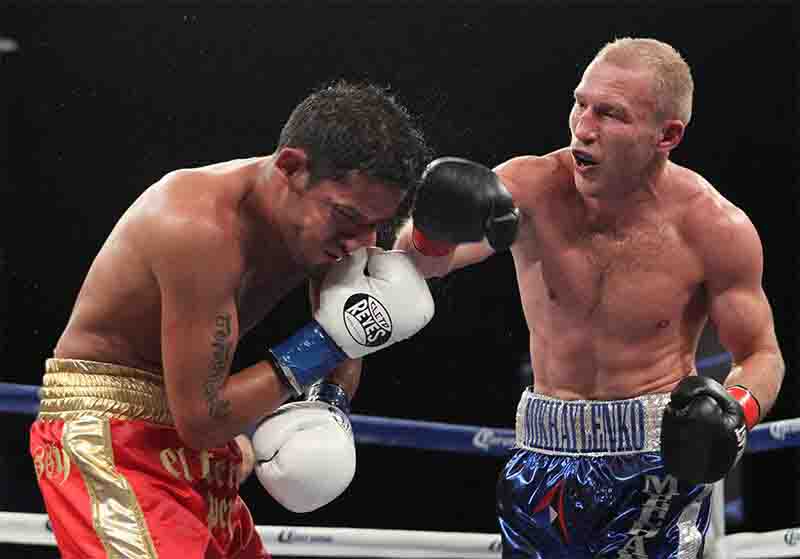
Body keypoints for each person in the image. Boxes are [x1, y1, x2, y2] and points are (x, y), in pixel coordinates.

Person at [394, 37, 785, 558]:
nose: (583, 127)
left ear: (667, 135)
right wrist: (430, 228)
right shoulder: (529, 189)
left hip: (654, 459)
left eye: (610, 114)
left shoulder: (713, 227)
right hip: (540, 453)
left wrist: (736, 411)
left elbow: (761, 353)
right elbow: (421, 263)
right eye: (580, 104)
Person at [29, 81, 435, 559]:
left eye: (376, 224)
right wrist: (323, 346)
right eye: (347, 216)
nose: (361, 242)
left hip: (203, 430)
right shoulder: (198, 226)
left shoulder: (327, 230)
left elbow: (347, 328)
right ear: (291, 168)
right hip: (113, 431)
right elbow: (206, 418)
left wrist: (328, 405)